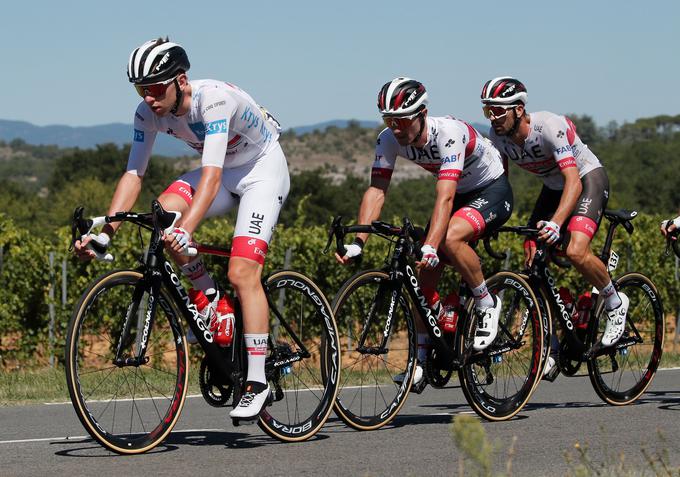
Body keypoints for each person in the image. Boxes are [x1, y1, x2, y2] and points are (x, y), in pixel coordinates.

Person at [74, 38, 290, 419]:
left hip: (260, 170)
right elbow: (133, 174)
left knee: (242, 272)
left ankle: (257, 380)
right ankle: (211, 300)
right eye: (142, 89)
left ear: (181, 80)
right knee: (162, 214)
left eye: (156, 88)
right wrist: (106, 232)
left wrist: (187, 229)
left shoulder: (213, 100)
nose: (149, 98)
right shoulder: (147, 113)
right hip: (222, 173)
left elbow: (211, 175)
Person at [336, 77, 513, 388]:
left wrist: (432, 245)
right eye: (389, 121)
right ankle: (419, 361)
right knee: (421, 280)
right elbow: (377, 190)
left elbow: (444, 196)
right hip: (458, 195)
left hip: (491, 189)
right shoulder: (388, 139)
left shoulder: (448, 135)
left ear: (421, 114)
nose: (396, 128)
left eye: (402, 120)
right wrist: (358, 241)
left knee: (445, 240)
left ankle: (486, 302)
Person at [480, 77, 629, 373]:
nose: (493, 118)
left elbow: (573, 182)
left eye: (499, 111)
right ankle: (554, 339)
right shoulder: (498, 138)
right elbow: (500, 184)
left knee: (575, 250)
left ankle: (615, 302)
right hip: (553, 188)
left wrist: (557, 223)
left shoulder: (549, 127)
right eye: (488, 111)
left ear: (519, 109)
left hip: (586, 180)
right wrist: (491, 219)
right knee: (533, 256)